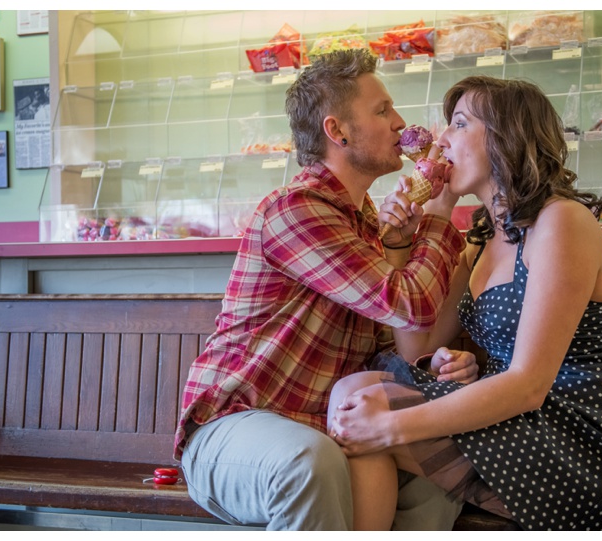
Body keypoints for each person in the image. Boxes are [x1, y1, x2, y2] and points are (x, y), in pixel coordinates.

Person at [328, 76, 602, 531]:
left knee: (366, 407)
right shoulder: (482, 239)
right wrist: (407, 236)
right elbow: (417, 347)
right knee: (356, 399)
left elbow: (529, 384)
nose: (440, 139)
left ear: (509, 139)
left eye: (461, 124)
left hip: (589, 439)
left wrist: (391, 427)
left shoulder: (561, 222)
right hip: (524, 422)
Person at [174, 48, 479, 531]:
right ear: (337, 132)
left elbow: (382, 343)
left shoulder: (368, 224)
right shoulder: (296, 210)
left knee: (438, 472)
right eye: (382, 110)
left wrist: (431, 363)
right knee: (310, 462)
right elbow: (409, 304)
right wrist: (440, 216)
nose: (401, 122)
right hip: (235, 426)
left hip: (324, 424)